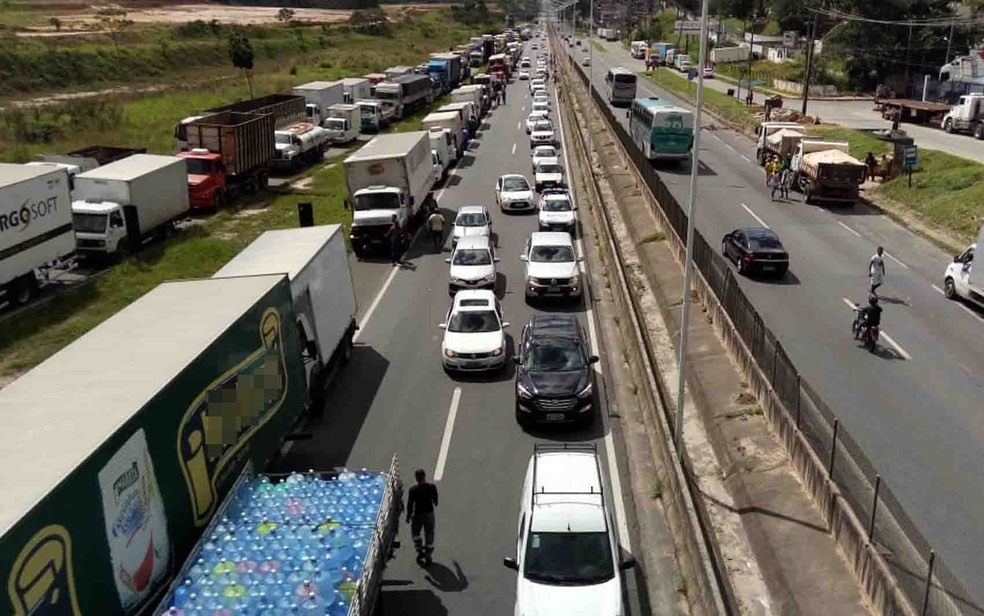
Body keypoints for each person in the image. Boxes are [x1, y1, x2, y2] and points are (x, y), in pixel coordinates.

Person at [406, 468, 439, 565]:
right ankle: (428, 554)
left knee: (415, 534)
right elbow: (435, 501)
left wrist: (408, 516)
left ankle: (420, 551)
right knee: (429, 534)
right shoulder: (431, 487)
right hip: (429, 514)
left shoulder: (413, 490)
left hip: (417, 515)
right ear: (425, 476)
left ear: (416, 478)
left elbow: (410, 504)